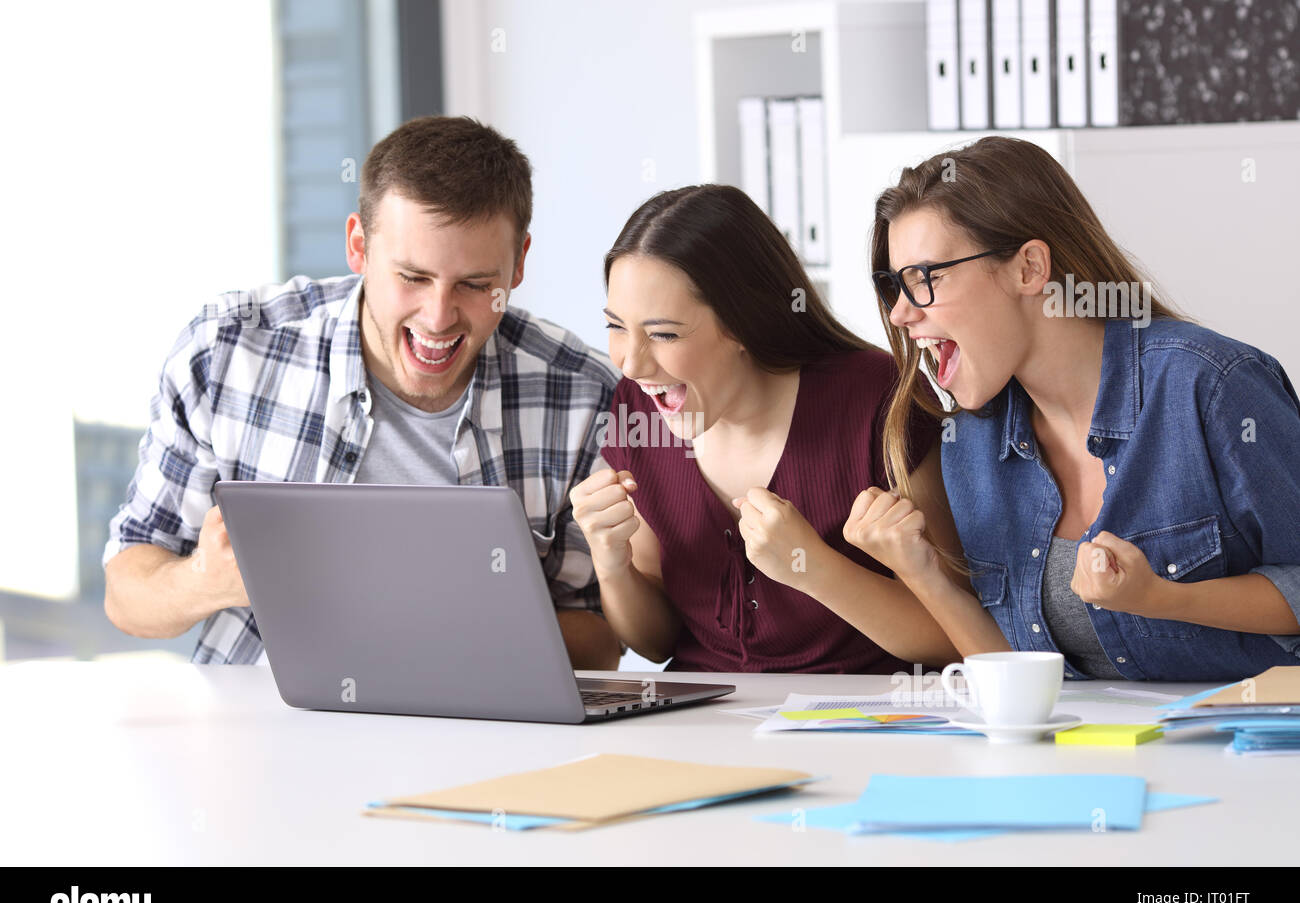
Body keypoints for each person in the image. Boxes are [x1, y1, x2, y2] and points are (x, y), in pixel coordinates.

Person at [103, 115, 622, 668]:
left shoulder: (584, 400)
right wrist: (207, 582)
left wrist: (450, 621)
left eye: (474, 284)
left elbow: (603, 640)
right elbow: (125, 596)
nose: (438, 317)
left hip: (483, 740)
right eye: (412, 277)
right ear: (359, 246)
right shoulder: (227, 351)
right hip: (265, 734)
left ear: (518, 264)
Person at [854, 135, 1300, 682]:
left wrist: (1159, 597)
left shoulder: (1210, 386)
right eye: (895, 285)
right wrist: (921, 572)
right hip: (1084, 756)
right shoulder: (972, 442)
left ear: (1029, 269)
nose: (900, 314)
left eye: (927, 278)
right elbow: (1015, 680)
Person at [569, 184, 995, 673]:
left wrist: (812, 567)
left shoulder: (879, 398)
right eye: (616, 327)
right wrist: (610, 562)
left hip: (861, 722)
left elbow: (954, 636)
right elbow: (655, 643)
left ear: (742, 323)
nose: (632, 364)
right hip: (702, 725)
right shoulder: (638, 412)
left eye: (663, 333)